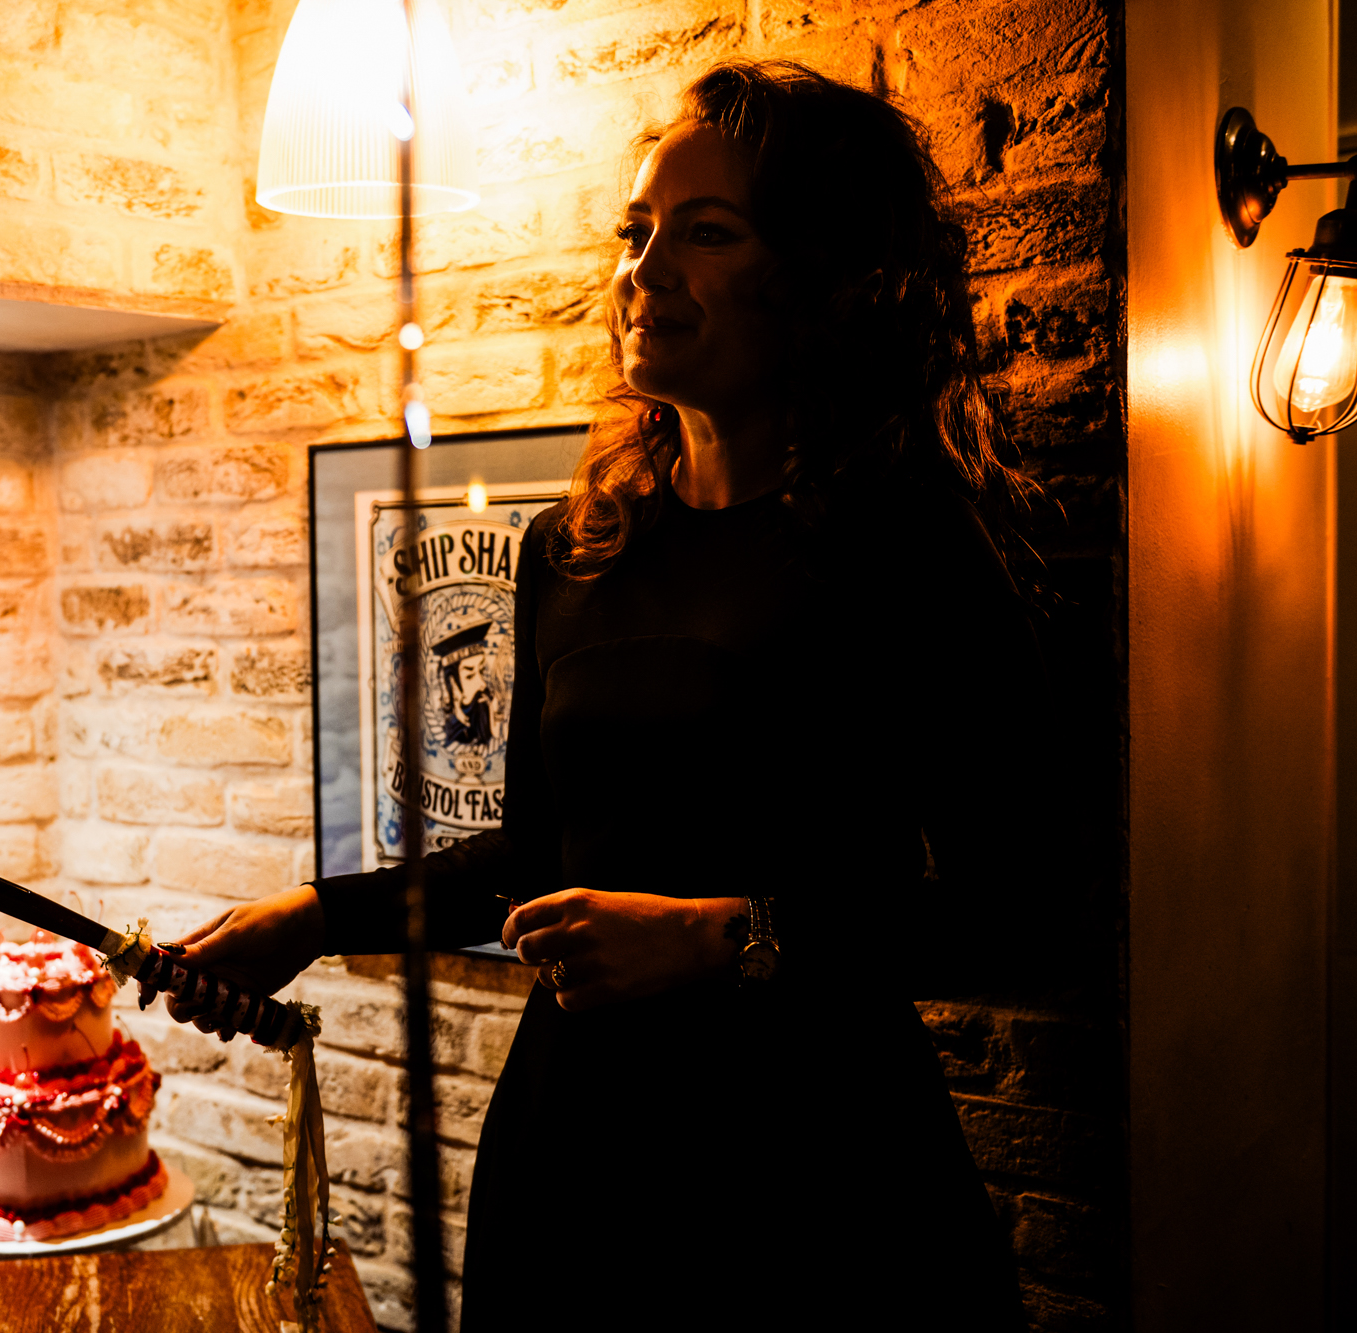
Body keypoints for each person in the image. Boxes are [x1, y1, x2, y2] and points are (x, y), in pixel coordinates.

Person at [171, 59, 1047, 1328]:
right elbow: (535, 854)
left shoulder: (907, 549)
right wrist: (310, 916)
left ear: (816, 273)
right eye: (634, 233)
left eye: (704, 232)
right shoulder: (574, 550)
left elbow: (1015, 909)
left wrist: (719, 936)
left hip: (814, 1176)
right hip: (578, 1155)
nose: (643, 270)